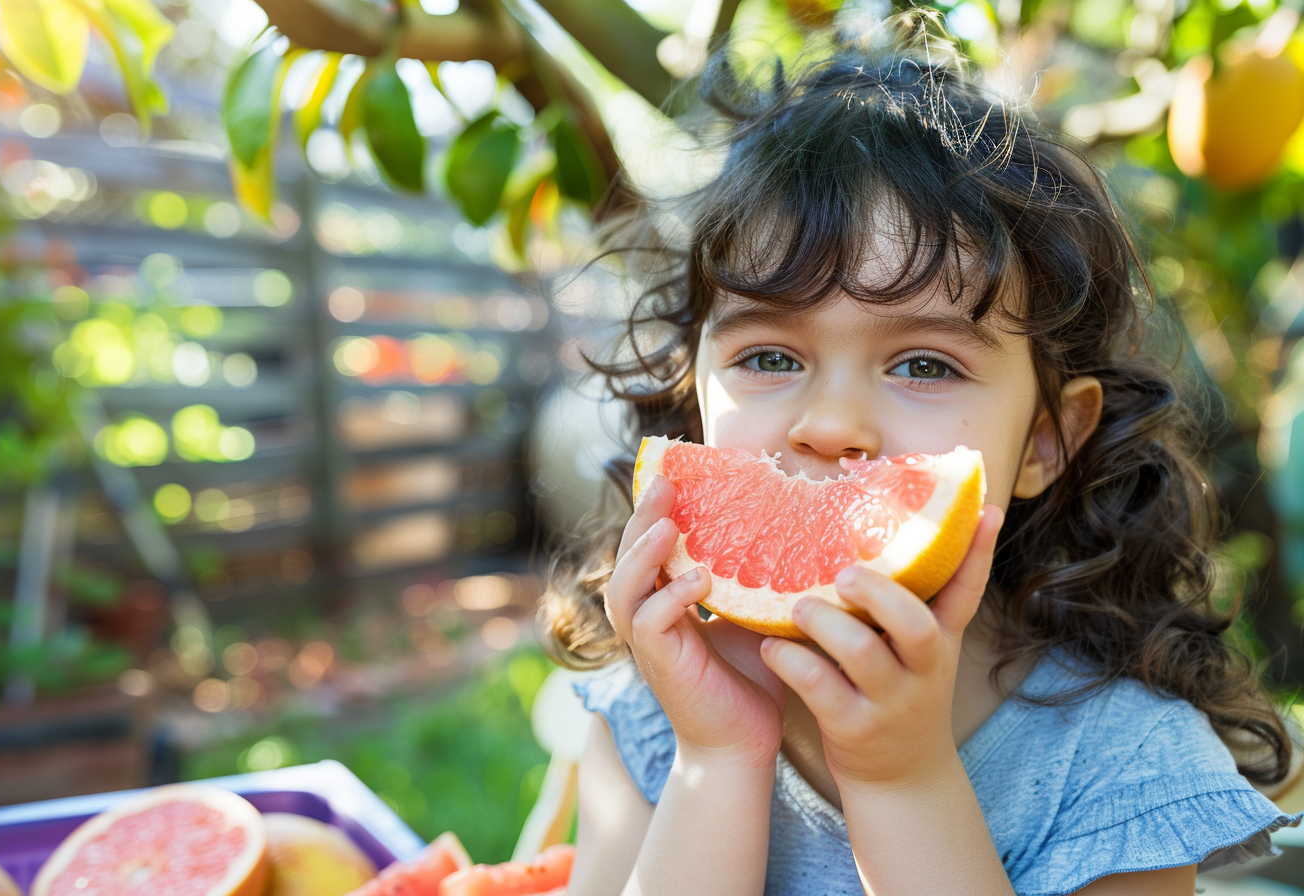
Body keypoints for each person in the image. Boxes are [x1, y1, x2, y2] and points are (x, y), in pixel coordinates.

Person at [536, 24, 1300, 896]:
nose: (829, 423)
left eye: (924, 365)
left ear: (1046, 441)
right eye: (770, 358)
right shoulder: (649, 715)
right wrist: (717, 756)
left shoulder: (1123, 768)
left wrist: (901, 779)